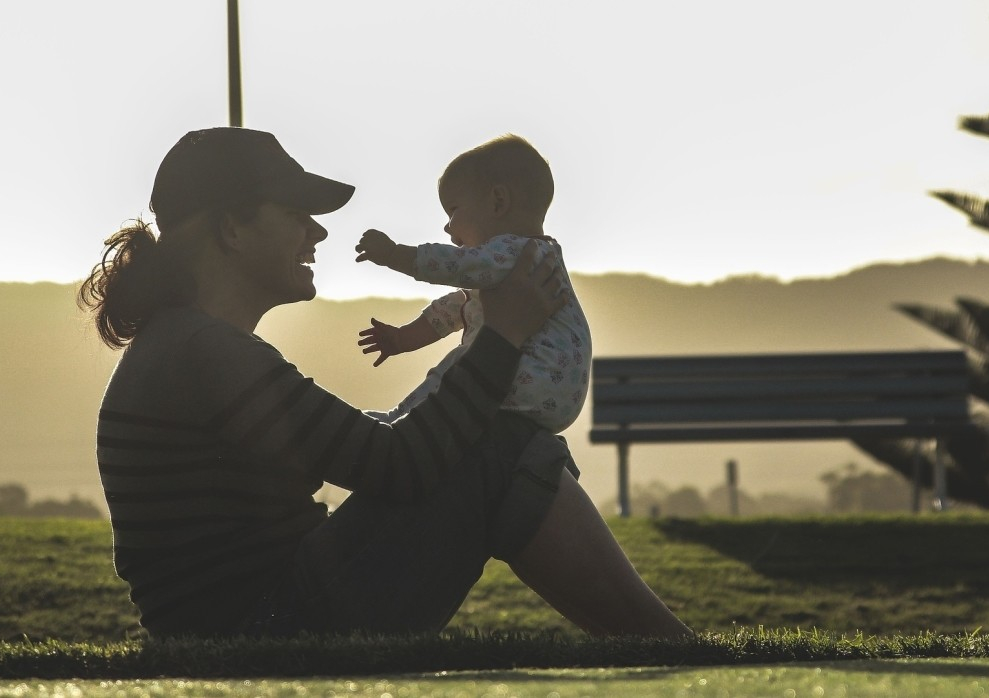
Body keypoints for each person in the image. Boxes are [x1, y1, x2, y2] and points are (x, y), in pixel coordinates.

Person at [78, 126, 691, 638]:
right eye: (298, 215)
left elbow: (364, 448)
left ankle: (664, 649)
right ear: (231, 230)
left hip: (257, 618)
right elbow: (398, 465)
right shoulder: (200, 352)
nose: (317, 233)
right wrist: (503, 335)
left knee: (498, 443)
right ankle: (677, 652)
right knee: (500, 446)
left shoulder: (186, 347)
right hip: (265, 629)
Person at [354, 134, 590, 434]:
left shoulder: (516, 251)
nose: (447, 226)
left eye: (452, 211)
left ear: (498, 202)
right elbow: (456, 310)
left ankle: (402, 423)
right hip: (553, 395)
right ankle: (401, 420)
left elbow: (455, 265)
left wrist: (393, 254)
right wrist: (402, 339)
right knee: (467, 364)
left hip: (531, 378)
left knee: (459, 368)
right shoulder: (527, 262)